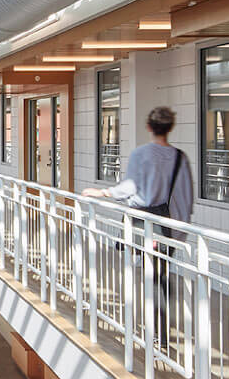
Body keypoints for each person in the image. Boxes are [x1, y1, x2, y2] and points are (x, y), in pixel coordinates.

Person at [82, 105, 193, 350]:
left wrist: (103, 192)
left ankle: (152, 330)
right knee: (160, 275)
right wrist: (179, 232)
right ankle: (160, 331)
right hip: (166, 225)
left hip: (142, 222)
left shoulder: (141, 154)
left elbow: (129, 187)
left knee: (148, 274)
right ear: (170, 127)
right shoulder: (180, 158)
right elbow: (185, 198)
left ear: (149, 127)